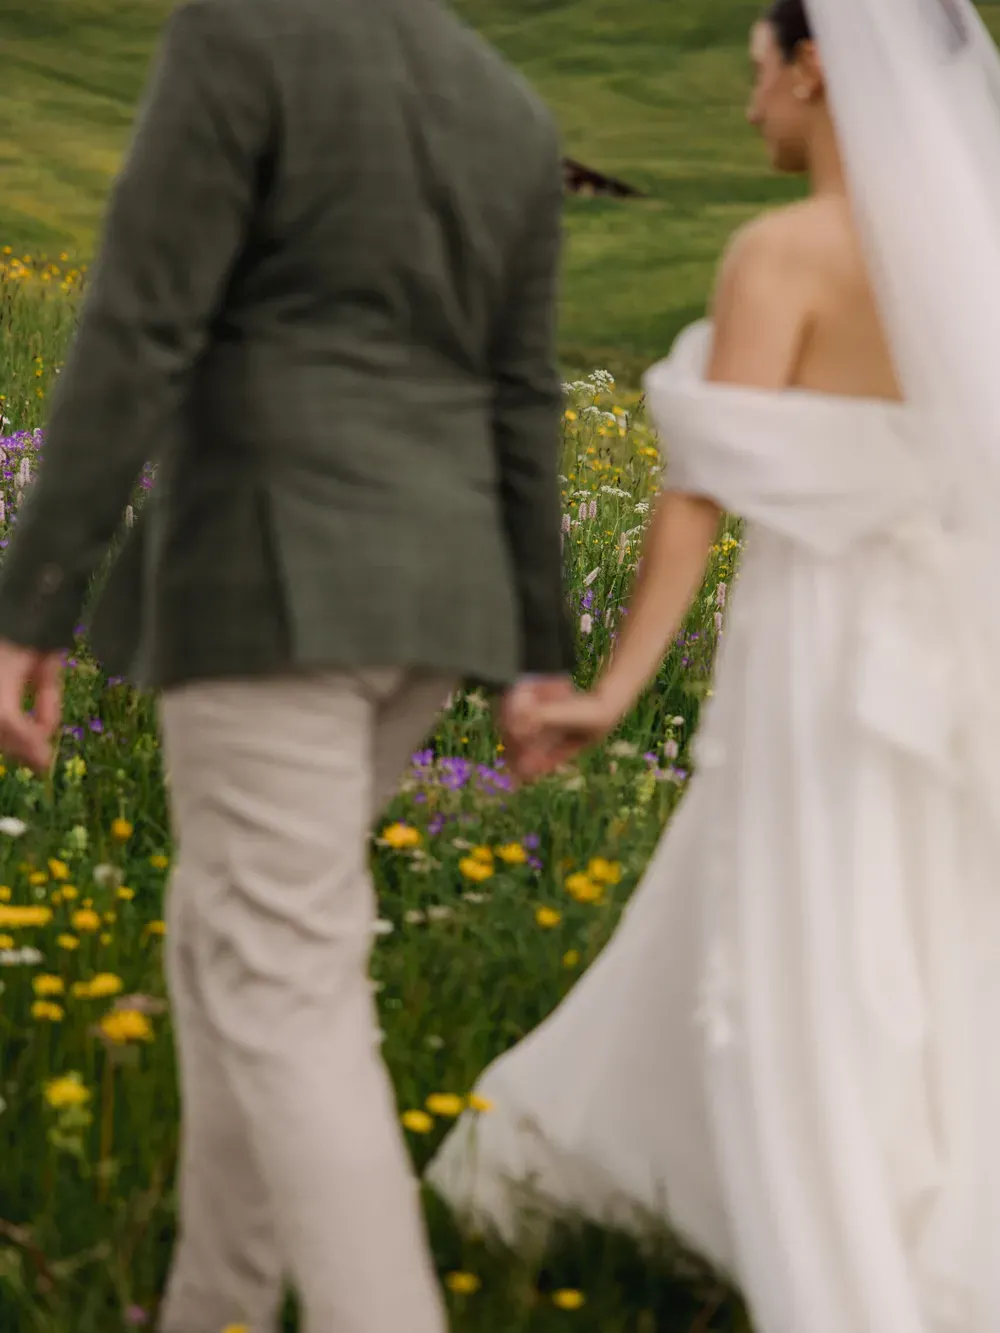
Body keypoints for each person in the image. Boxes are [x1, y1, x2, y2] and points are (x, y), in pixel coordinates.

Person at [0, 0, 575, 1329]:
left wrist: (33, 600)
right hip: (439, 608)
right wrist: (534, 652)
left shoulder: (244, 32)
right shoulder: (509, 107)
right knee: (225, 942)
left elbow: (143, 315)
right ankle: (216, 1307)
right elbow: (523, 393)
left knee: (280, 978)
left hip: (278, 583)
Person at [429, 1, 1000, 1329]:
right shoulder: (975, 259)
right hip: (951, 641)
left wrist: (614, 687)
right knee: (929, 915)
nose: (749, 109)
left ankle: (829, 1224)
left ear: (814, 68)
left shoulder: (783, 254)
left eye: (757, 76)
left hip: (825, 641)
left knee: (814, 911)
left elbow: (696, 495)